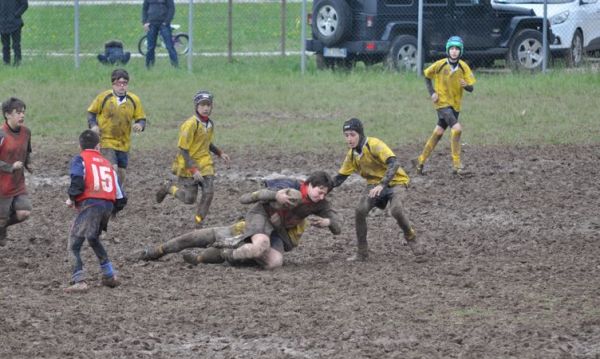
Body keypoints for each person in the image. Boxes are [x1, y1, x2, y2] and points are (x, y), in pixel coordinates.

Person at [140, 171, 341, 270]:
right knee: (253, 243)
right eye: (319, 191)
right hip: (259, 218)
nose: (321, 196)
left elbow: (338, 227)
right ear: (308, 184)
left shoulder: (319, 204)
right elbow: (245, 198)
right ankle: (158, 250)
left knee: (274, 262)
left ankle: (217, 255)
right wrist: (274, 196)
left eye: (325, 193)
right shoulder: (289, 186)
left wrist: (329, 223)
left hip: (277, 231)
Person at [333, 118, 425, 262]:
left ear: (360, 134)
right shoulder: (351, 155)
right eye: (346, 135)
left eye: (352, 134)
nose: (349, 139)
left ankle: (412, 238)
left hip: (396, 182)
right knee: (360, 210)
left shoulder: (374, 144)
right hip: (374, 186)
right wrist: (318, 187)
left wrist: (382, 184)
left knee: (396, 210)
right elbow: (338, 179)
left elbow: (394, 163)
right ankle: (362, 252)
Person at [64, 130, 127, 293]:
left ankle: (79, 280)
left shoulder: (80, 159)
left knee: (73, 244)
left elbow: (77, 180)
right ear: (98, 146)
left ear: (80, 146)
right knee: (92, 238)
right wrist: (112, 210)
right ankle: (109, 274)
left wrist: (72, 198)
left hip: (91, 205)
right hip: (107, 206)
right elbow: (121, 196)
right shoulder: (108, 164)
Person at [156, 90, 230, 227]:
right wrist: (194, 170)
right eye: (202, 105)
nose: (206, 108)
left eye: (208, 105)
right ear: (196, 107)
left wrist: (220, 153)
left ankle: (198, 221)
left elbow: (207, 143)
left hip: (205, 163)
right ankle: (168, 188)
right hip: (188, 164)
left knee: (209, 192)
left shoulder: (210, 124)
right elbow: (183, 149)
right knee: (189, 199)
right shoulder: (190, 124)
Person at [412, 36, 476, 176]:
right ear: (448, 50)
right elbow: (427, 76)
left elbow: (471, 88)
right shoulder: (440, 64)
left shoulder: (463, 67)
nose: (454, 52)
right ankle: (457, 165)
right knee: (457, 129)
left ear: (461, 51)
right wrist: (432, 93)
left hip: (455, 105)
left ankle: (420, 161)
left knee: (439, 132)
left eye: (457, 49)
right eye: (451, 49)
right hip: (442, 103)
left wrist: (467, 86)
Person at [87, 68, 146, 190]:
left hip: (124, 143)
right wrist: (93, 126)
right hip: (106, 140)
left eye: (124, 83)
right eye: (119, 83)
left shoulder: (133, 100)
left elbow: (141, 118)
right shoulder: (104, 97)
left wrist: (140, 125)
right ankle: (109, 192)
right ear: (113, 84)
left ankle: (117, 193)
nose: (122, 86)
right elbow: (91, 112)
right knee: (111, 168)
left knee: (121, 173)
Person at [0, 97, 31, 246]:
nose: (22, 115)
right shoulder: (1, 134)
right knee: (1, 219)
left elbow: (27, 151)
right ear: (7, 115)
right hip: (2, 186)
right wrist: (10, 167)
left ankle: (2, 226)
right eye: (17, 112)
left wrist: (28, 164)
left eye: (23, 112)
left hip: (18, 183)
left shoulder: (26, 132)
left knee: (24, 212)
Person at [142, 0, 178, 68]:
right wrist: (145, 22)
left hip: (164, 25)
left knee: (170, 46)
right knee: (150, 47)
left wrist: (166, 22)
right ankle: (149, 67)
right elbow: (144, 9)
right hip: (151, 24)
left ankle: (175, 65)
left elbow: (171, 9)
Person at [0, 0, 28, 66]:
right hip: (3, 23)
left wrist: (16, 14)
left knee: (16, 45)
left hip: (15, 23)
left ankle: (17, 62)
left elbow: (25, 4)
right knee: (5, 45)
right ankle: (6, 62)